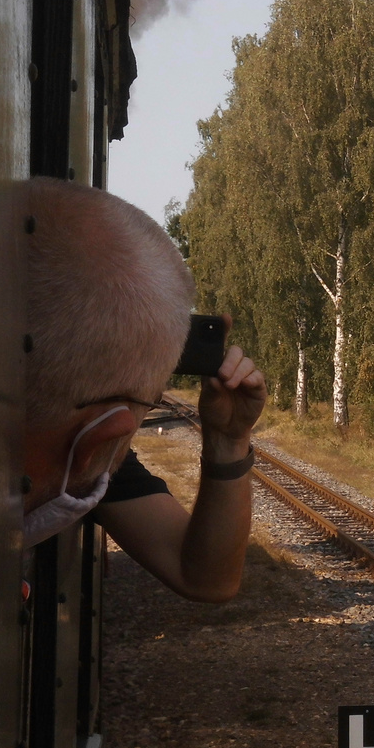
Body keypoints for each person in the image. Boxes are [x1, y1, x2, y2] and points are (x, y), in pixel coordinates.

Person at [22, 177, 267, 602]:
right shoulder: (87, 451)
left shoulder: (83, 441)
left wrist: (229, 441)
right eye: (148, 402)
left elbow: (207, 578)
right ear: (103, 432)